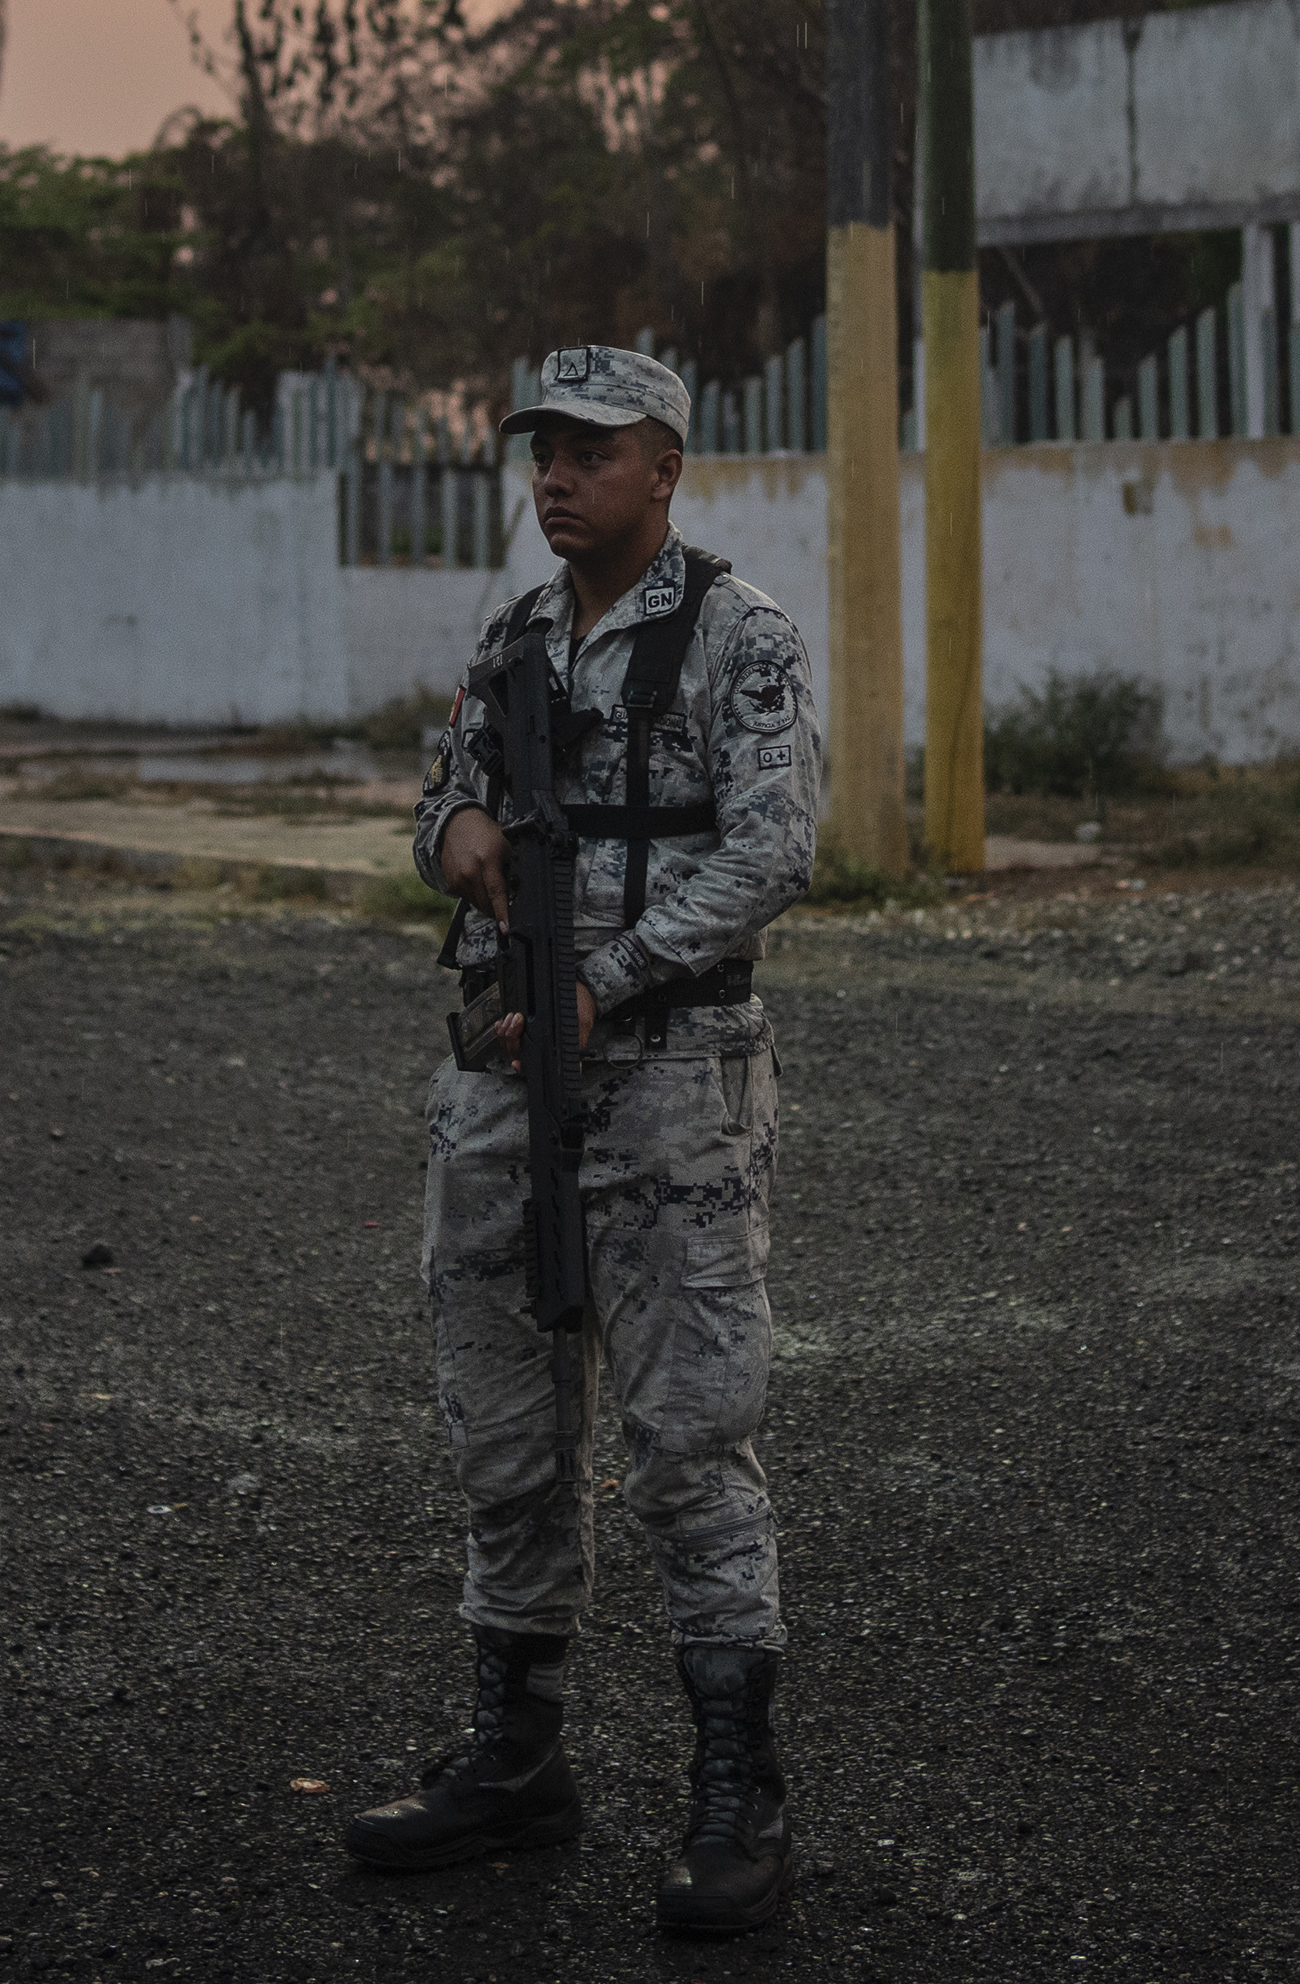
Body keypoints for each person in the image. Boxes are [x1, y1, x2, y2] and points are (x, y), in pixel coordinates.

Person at [342, 346, 824, 1935]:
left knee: (689, 1439)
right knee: (502, 1432)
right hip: (496, 1081)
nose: (555, 476)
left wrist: (603, 984)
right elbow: (440, 808)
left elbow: (772, 849)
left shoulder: (735, 637)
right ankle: (517, 1759)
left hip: (673, 1081)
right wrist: (452, 836)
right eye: (542, 449)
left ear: (667, 466)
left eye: (591, 452)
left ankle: (735, 1794)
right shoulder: (513, 640)